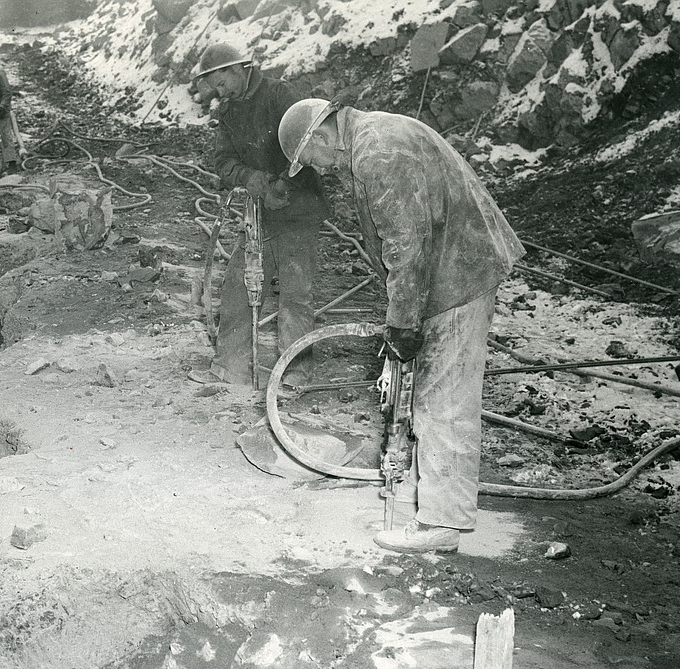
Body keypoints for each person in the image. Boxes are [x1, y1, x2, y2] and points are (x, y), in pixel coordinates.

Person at [277, 99, 525, 553]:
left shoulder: (378, 152)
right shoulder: (373, 136)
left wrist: (402, 324)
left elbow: (406, 244)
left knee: (441, 397)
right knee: (430, 392)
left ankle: (442, 523)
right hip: (453, 266)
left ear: (320, 135)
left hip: (458, 274)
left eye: (311, 159)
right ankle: (429, 495)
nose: (321, 169)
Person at [189, 43, 333, 389]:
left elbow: (308, 145)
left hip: (297, 209)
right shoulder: (229, 111)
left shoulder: (280, 95)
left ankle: (295, 375)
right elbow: (223, 162)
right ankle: (230, 368)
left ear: (238, 69)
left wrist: (281, 184)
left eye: (221, 83)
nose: (218, 92)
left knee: (295, 295)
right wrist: (250, 178)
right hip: (259, 214)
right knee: (238, 286)